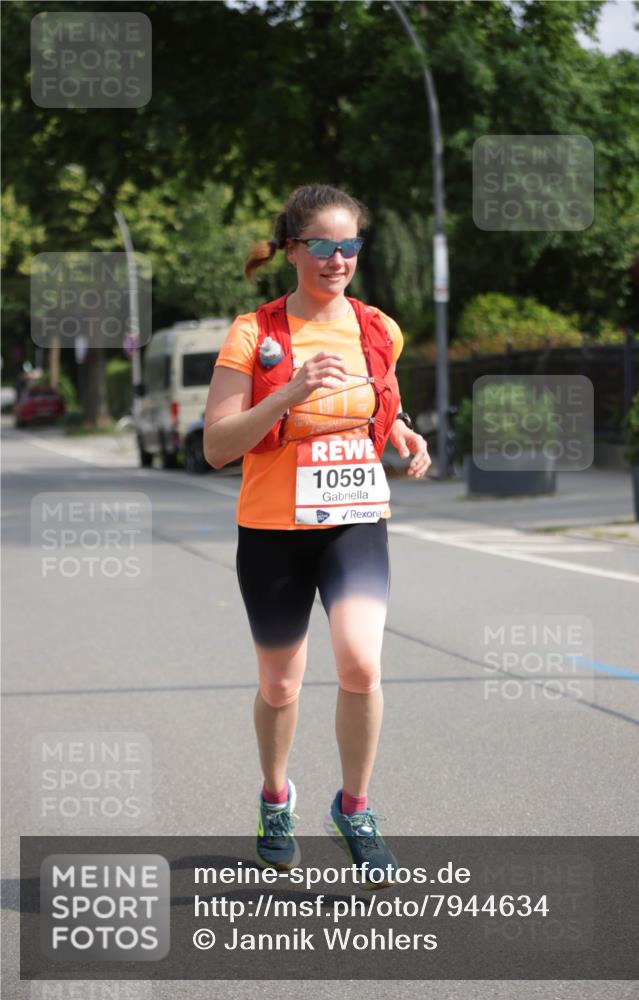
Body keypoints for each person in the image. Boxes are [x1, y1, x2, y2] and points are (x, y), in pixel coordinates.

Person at [204, 183, 430, 887]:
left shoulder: (377, 328)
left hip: (354, 520)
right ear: (293, 250)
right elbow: (216, 445)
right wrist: (286, 393)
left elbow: (375, 404)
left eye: (350, 247)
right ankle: (276, 798)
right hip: (272, 528)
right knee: (279, 685)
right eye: (324, 247)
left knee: (361, 664)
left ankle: (354, 808)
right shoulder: (255, 333)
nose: (338, 260)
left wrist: (399, 432)